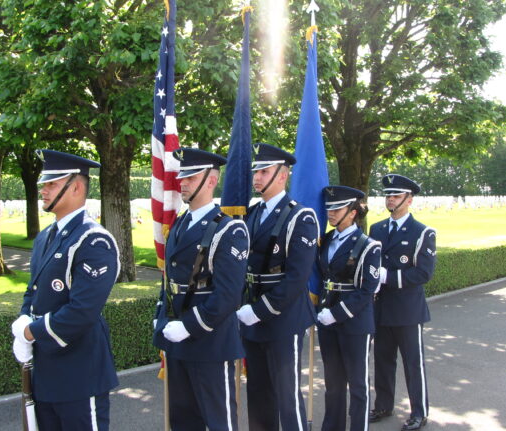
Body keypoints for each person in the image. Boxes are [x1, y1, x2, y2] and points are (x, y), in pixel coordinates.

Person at [11, 149, 119, 431]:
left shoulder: (94, 240)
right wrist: (24, 317)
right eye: (44, 184)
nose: (43, 191)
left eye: (52, 184)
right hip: (46, 374)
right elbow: (33, 290)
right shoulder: (47, 236)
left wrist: (30, 332)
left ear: (76, 187)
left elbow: (82, 311)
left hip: (80, 374)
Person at [153, 148, 249, 431]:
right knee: (183, 420)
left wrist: (189, 326)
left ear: (211, 181)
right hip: (177, 339)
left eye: (191, 177)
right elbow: (168, 280)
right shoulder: (180, 223)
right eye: (182, 176)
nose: (182, 182)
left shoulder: (229, 230)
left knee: (219, 421)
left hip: (209, 341)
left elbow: (229, 296)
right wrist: (162, 317)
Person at [236, 143, 319, 431]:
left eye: (264, 171)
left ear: (282, 176)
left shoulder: (301, 217)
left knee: (287, 395)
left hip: (283, 317)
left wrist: (259, 310)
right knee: (258, 393)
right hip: (252, 316)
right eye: (255, 171)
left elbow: (297, 279)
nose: (256, 177)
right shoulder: (253, 213)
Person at [368, 174, 436, 431]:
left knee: (413, 363)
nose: (390, 200)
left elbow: (423, 273)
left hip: (408, 310)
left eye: (396, 196)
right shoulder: (377, 229)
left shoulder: (422, 233)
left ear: (409, 200)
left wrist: (388, 276)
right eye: (388, 195)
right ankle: (384, 405)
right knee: (383, 361)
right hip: (382, 308)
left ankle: (419, 412)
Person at [316, 186, 381, 431]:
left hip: (354, 323)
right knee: (332, 383)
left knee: (357, 383)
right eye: (329, 208)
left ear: (353, 212)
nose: (330, 213)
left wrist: (337, 313)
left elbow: (368, 289)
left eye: (337, 208)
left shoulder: (368, 246)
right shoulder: (326, 240)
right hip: (326, 321)